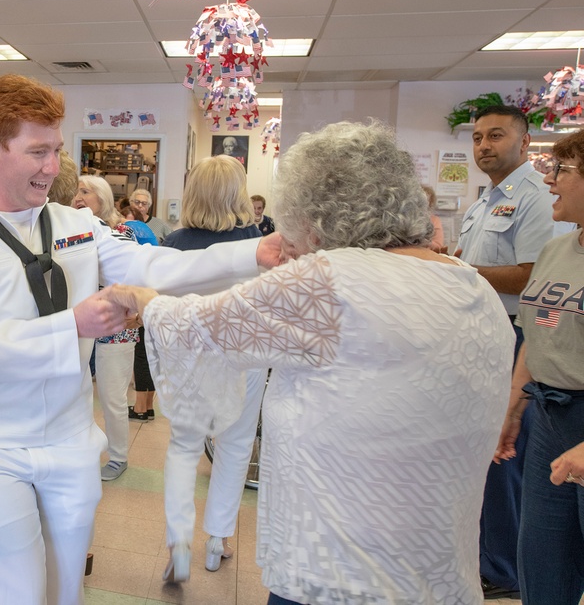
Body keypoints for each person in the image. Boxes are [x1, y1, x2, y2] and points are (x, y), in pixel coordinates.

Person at [0, 73, 280, 605]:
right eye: (37, 151)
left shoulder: (74, 223)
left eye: (55, 149)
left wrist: (251, 254)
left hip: (69, 441)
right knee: (15, 594)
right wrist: (74, 324)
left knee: (65, 589)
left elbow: (153, 261)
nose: (52, 166)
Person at [105, 120, 514, 605]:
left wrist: (138, 296)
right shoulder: (471, 284)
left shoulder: (330, 281)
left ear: (315, 218)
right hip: (440, 568)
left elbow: (193, 326)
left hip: (341, 571)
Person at [455, 104, 567, 601]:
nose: (484, 146)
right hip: (484, 336)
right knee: (487, 450)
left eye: (495, 136)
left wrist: (462, 274)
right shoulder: (486, 201)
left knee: (505, 455)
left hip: (516, 335)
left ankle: (503, 569)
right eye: (478, 138)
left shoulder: (536, 198)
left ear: (523, 142)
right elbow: (477, 264)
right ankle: (489, 555)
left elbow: (531, 276)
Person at [159, 155, 266, 581]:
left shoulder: (175, 243)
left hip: (189, 354)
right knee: (236, 444)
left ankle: (179, 542)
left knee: (183, 446)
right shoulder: (256, 240)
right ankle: (217, 539)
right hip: (245, 355)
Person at [494, 131, 584, 605]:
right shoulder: (557, 251)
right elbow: (537, 333)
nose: (549, 182)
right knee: (543, 558)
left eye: (562, 171)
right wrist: (513, 411)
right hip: (549, 416)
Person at [73, 174, 139, 482]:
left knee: (112, 396)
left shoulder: (120, 232)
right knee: (76, 392)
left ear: (103, 199)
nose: (78, 197)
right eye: (75, 192)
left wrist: (135, 312)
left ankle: (118, 456)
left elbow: (133, 278)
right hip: (81, 325)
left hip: (117, 326)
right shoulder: (67, 231)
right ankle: (82, 450)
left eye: (85, 192)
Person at [422, 185, 445, 252]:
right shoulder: (405, 218)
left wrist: (423, 242)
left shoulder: (434, 220)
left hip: (427, 256)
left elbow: (438, 246)